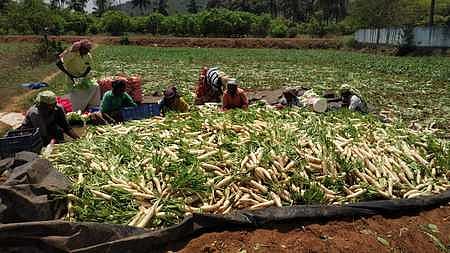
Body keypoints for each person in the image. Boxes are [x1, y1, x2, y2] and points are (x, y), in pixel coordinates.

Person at [57, 39, 101, 112]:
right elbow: (59, 63)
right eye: (86, 50)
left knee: (95, 86)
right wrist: (70, 75)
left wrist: (83, 76)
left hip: (84, 78)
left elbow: (89, 67)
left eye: (88, 50)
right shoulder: (71, 54)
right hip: (71, 78)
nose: (87, 52)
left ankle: (93, 107)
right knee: (76, 94)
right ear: (81, 48)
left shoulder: (87, 55)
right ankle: (76, 109)